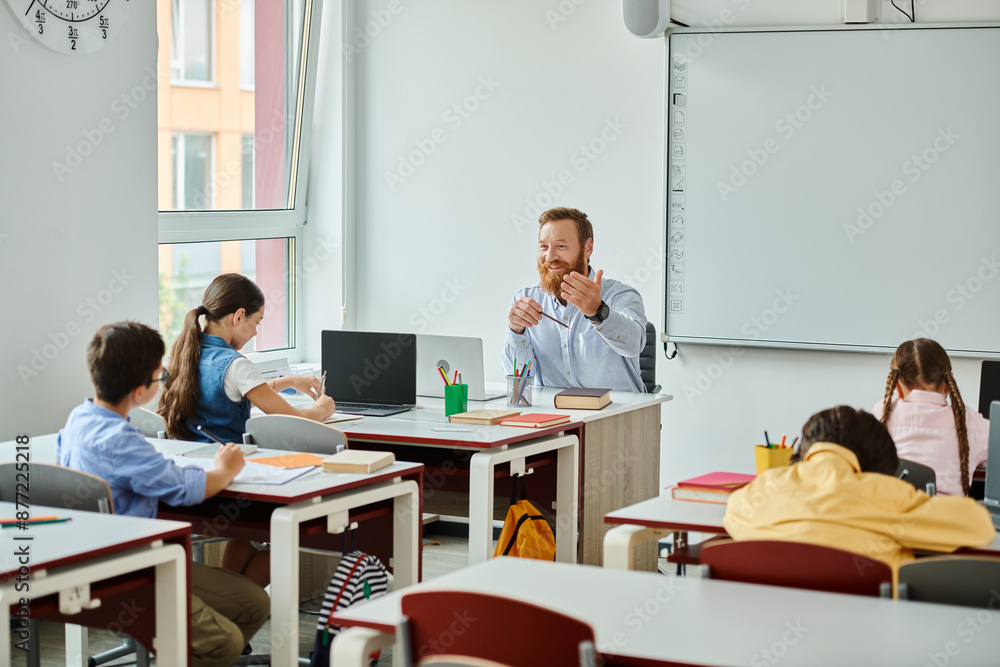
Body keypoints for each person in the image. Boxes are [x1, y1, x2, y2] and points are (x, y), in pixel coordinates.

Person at [56, 322, 269, 667]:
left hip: (100, 560)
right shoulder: (121, 440)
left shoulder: (79, 418)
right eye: (160, 377)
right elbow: (189, 488)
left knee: (255, 603)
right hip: (132, 570)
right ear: (140, 392)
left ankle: (182, 652)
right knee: (226, 641)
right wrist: (226, 469)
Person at [159, 273, 336, 586]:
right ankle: (238, 606)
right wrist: (324, 407)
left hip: (192, 476)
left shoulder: (183, 353)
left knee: (246, 536)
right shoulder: (235, 363)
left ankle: (227, 599)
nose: (255, 332)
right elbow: (294, 419)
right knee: (292, 531)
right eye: (257, 322)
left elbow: (235, 388)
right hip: (233, 485)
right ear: (238, 316)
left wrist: (286, 382)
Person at [724, 406, 994, 572]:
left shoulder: (759, 490)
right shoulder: (887, 494)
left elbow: (733, 518)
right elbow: (978, 525)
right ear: (878, 466)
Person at [504, 207, 647, 392]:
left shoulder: (620, 295)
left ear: (587, 248)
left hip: (617, 415)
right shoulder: (526, 299)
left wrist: (598, 312)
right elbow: (517, 380)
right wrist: (516, 331)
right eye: (543, 246)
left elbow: (634, 345)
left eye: (561, 246)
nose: (549, 256)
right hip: (554, 416)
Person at [872, 338, 989, 496]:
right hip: (948, 518)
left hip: (892, 516)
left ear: (897, 387)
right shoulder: (972, 422)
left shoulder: (882, 412)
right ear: (948, 383)